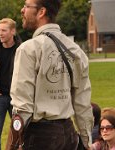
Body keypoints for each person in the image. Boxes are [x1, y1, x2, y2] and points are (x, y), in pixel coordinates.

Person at [9, 0, 94, 150]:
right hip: (69, 134)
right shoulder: (75, 50)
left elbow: (22, 106)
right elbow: (83, 104)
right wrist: (86, 142)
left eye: (26, 6)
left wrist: (14, 143)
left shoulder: (29, 49)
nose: (22, 10)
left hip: (40, 136)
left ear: (41, 12)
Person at [0, 18, 21, 150]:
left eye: (4, 30)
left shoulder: (22, 50)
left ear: (12, 31)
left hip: (17, 99)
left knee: (20, 135)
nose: (0, 33)